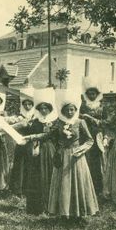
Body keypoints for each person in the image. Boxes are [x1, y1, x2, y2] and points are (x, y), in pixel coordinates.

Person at [26, 89, 98, 222]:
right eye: (67, 110)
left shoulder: (80, 122)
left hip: (77, 157)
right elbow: (46, 135)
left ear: (75, 110)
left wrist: (82, 149)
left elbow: (90, 140)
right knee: (63, 184)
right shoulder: (59, 123)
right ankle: (64, 213)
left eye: (72, 109)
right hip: (62, 156)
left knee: (78, 183)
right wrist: (30, 137)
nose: (70, 112)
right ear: (62, 110)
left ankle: (79, 213)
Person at [21, 88, 58, 215]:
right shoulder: (35, 121)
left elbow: (55, 136)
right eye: (41, 108)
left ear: (50, 109)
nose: (43, 111)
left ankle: (50, 206)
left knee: (49, 174)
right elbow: (29, 133)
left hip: (49, 150)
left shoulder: (54, 122)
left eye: (45, 108)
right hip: (36, 150)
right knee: (36, 176)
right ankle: (36, 207)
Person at [79, 77, 104, 195]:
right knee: (86, 160)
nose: (92, 95)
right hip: (85, 135)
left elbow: (105, 122)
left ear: (97, 94)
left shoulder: (101, 107)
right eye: (89, 93)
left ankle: (97, 187)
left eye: (94, 93)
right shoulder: (83, 106)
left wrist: (91, 118)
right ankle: (86, 187)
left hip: (97, 135)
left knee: (97, 161)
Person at [10, 87, 35, 196]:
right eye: (25, 104)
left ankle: (27, 189)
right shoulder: (19, 116)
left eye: (29, 104)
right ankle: (17, 189)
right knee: (19, 165)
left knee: (30, 165)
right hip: (20, 142)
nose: (27, 106)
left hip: (31, 142)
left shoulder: (36, 116)